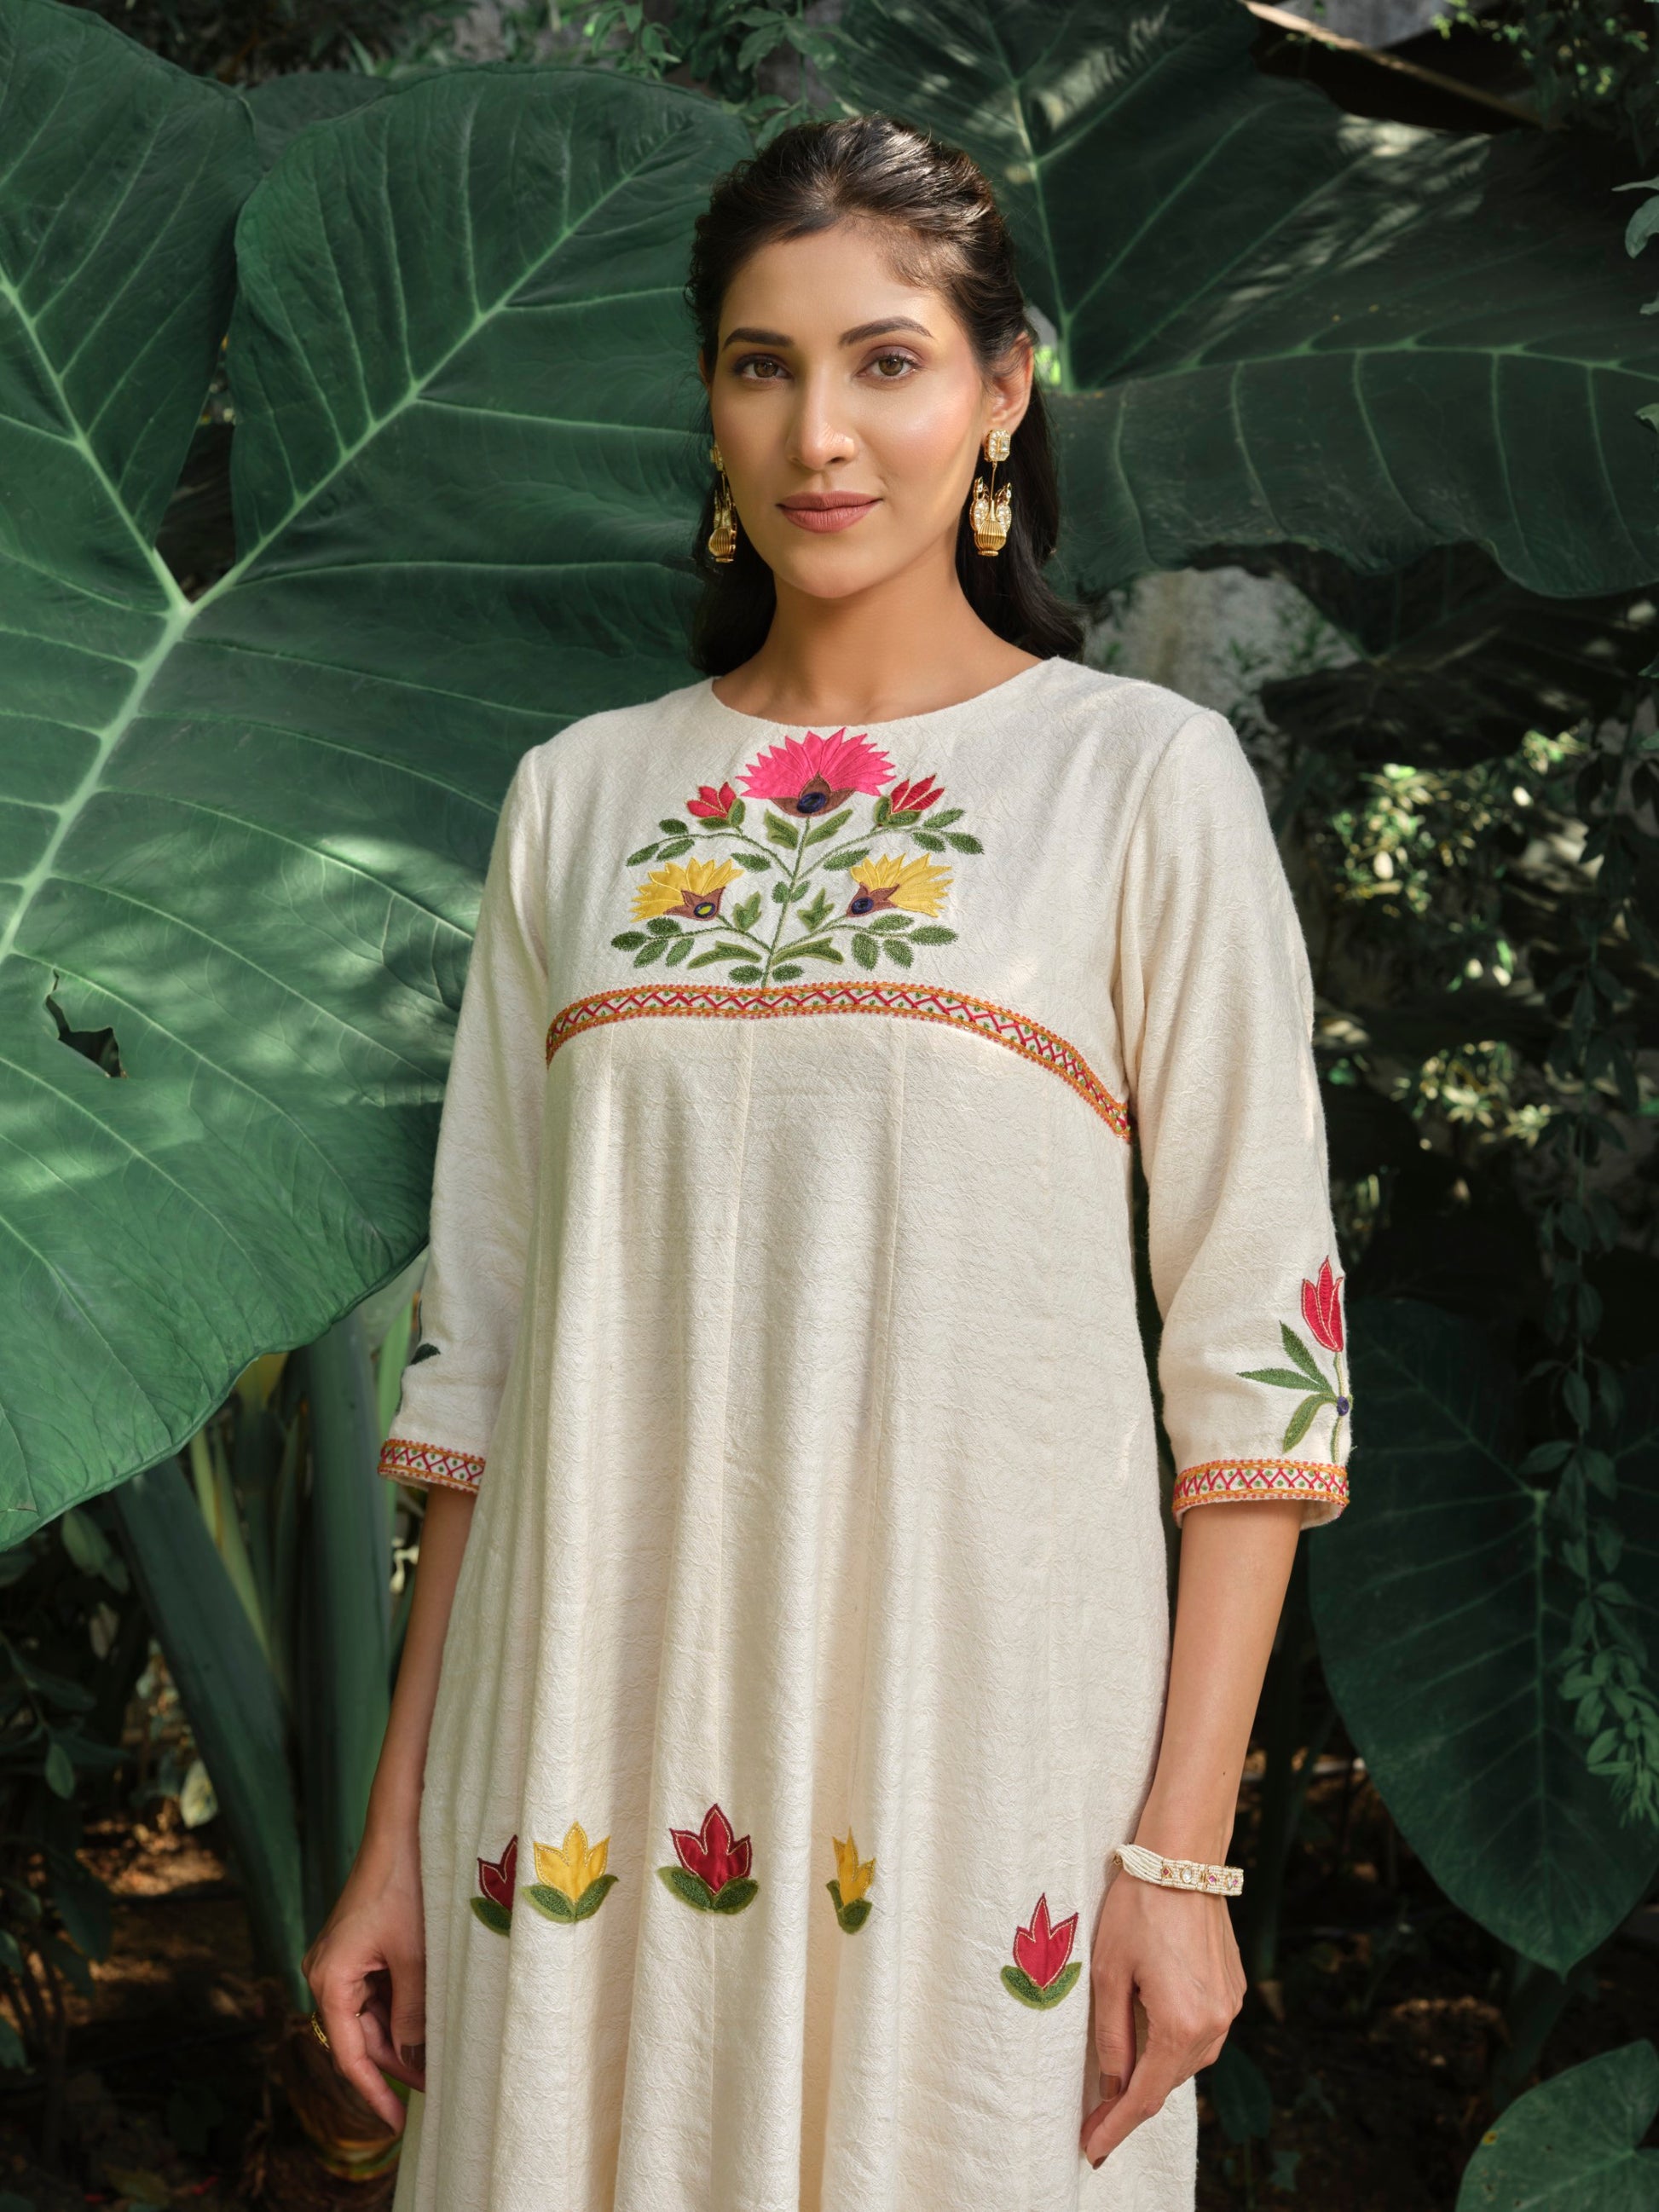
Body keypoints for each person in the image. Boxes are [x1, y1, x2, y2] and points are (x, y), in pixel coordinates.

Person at [302, 113, 1350, 2212]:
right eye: (761, 366)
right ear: (709, 404)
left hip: (977, 1772)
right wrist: (398, 1831)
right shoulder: (578, 802)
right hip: (571, 1761)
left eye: (886, 361)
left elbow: (1260, 1356)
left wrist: (1178, 1856)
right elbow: (478, 1366)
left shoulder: (1137, 784)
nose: (819, 434)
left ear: (1001, 389)